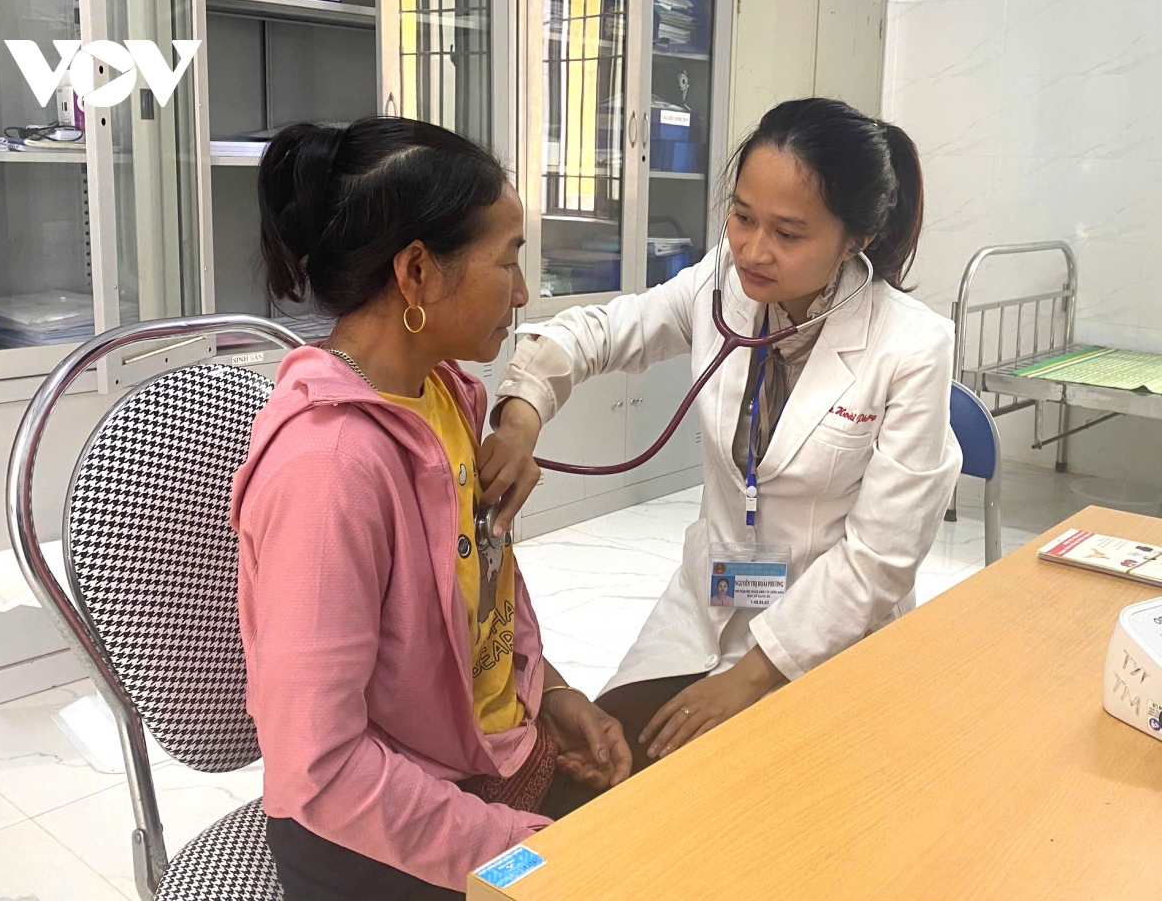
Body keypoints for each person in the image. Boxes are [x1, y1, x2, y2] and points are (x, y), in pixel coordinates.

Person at [480, 98, 963, 774]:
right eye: (742, 216)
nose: (752, 251)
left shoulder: (912, 346)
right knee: (610, 769)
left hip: (828, 633)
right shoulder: (722, 284)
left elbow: (880, 559)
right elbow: (600, 333)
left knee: (742, 797)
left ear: (857, 237)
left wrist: (750, 676)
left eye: (788, 233)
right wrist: (521, 414)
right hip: (712, 601)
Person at [231, 117, 630, 901]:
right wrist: (511, 848)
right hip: (373, 832)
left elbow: (473, 610)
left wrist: (550, 693)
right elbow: (322, 767)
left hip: (483, 761)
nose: (523, 293)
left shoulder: (444, 394)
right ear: (416, 272)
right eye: (507, 261)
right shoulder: (329, 469)